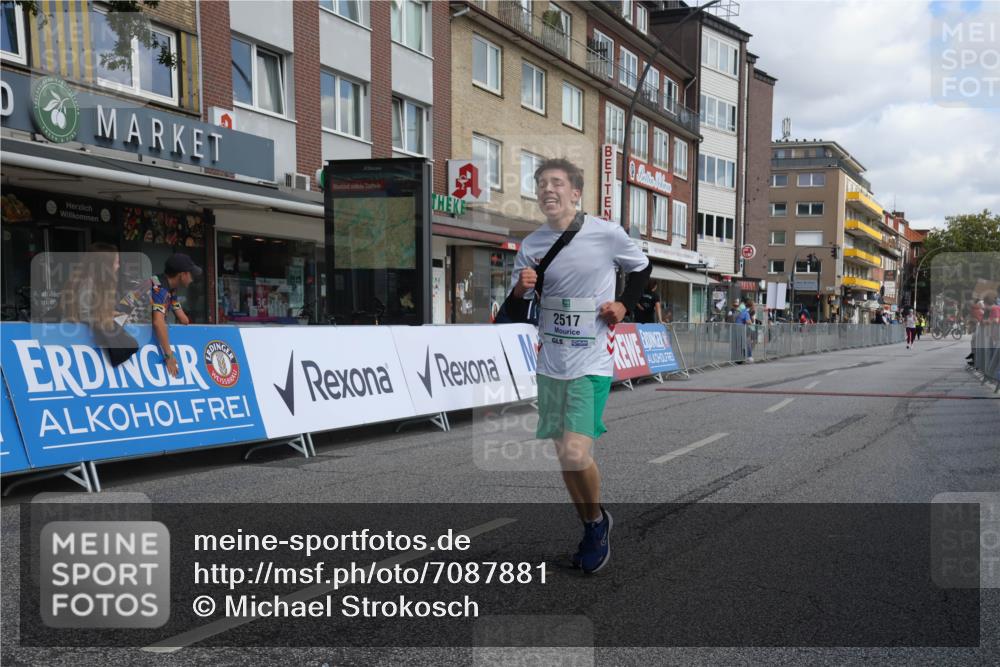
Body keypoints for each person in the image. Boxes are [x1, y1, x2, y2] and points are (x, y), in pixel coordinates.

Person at [509, 157, 650, 574]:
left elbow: (642, 268)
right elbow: (515, 311)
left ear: (575, 193)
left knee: (575, 451)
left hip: (591, 362)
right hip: (551, 365)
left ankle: (595, 525)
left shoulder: (606, 234)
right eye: (541, 184)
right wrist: (519, 289)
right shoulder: (532, 245)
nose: (547, 189)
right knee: (565, 456)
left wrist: (624, 304)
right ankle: (593, 522)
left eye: (556, 183)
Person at [119, 253, 201, 378]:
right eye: (191, 274)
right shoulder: (159, 289)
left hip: (133, 332)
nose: (192, 279)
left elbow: (183, 319)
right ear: (182, 275)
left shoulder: (168, 286)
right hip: (126, 332)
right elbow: (158, 323)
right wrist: (169, 355)